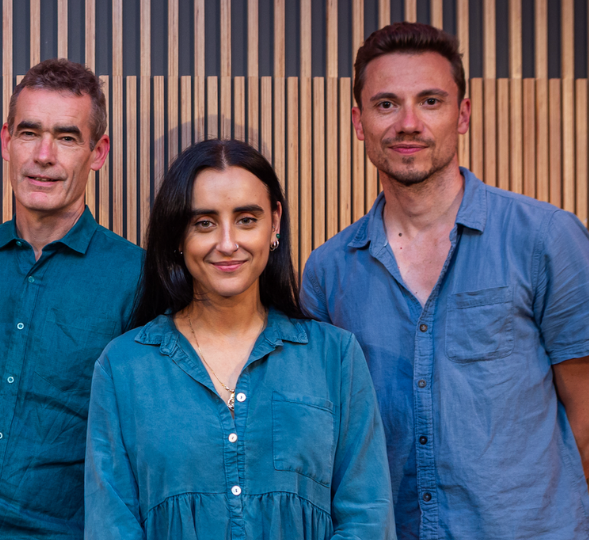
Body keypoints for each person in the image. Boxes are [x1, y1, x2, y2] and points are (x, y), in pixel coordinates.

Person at [301, 22, 589, 539]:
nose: (408, 123)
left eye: (430, 101)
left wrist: (521, 512)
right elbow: (328, 436)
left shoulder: (545, 240)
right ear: (359, 122)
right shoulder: (328, 270)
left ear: (463, 114)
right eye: (386, 104)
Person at [84, 139, 394, 539]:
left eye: (247, 219)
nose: (228, 243)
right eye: (204, 223)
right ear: (177, 235)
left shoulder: (335, 358)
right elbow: (112, 524)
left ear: (274, 223)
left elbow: (367, 517)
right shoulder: (124, 367)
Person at [0, 58, 143, 538]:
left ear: (97, 152)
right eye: (29, 133)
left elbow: (139, 446)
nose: (44, 155)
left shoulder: (135, 276)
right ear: (6, 141)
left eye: (66, 137)